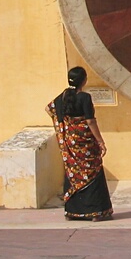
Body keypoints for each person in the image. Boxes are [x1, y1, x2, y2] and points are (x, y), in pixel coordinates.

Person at [45, 66, 113, 222]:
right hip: (86, 143)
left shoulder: (62, 97)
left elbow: (49, 110)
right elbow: (90, 121)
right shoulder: (84, 97)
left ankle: (72, 212)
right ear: (84, 80)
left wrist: (67, 125)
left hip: (71, 143)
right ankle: (95, 212)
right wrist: (100, 141)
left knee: (73, 173)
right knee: (92, 173)